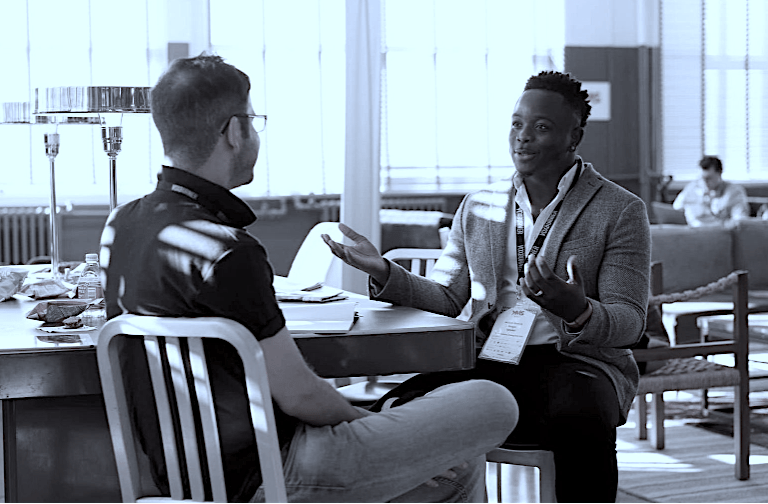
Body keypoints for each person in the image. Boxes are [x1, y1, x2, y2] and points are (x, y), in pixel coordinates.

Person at [99, 54, 518, 503]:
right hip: (275, 473)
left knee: (457, 465)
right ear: (235, 131)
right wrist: (373, 427)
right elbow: (301, 396)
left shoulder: (122, 224)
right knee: (492, 401)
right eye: (254, 122)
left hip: (187, 480)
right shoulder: (228, 251)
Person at [323, 71, 651, 503]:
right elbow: (446, 298)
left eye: (541, 127)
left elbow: (630, 322)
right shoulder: (478, 206)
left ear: (574, 137)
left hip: (577, 362)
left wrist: (579, 310)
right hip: (491, 358)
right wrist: (385, 271)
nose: (523, 137)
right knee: (401, 406)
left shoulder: (620, 209)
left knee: (581, 416)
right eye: (516, 124)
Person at [672, 155, 750, 227]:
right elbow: (676, 208)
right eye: (701, 178)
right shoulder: (693, 187)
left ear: (719, 173)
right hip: (693, 232)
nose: (704, 182)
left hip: (719, 231)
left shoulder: (734, 192)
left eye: (708, 178)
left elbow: (740, 220)